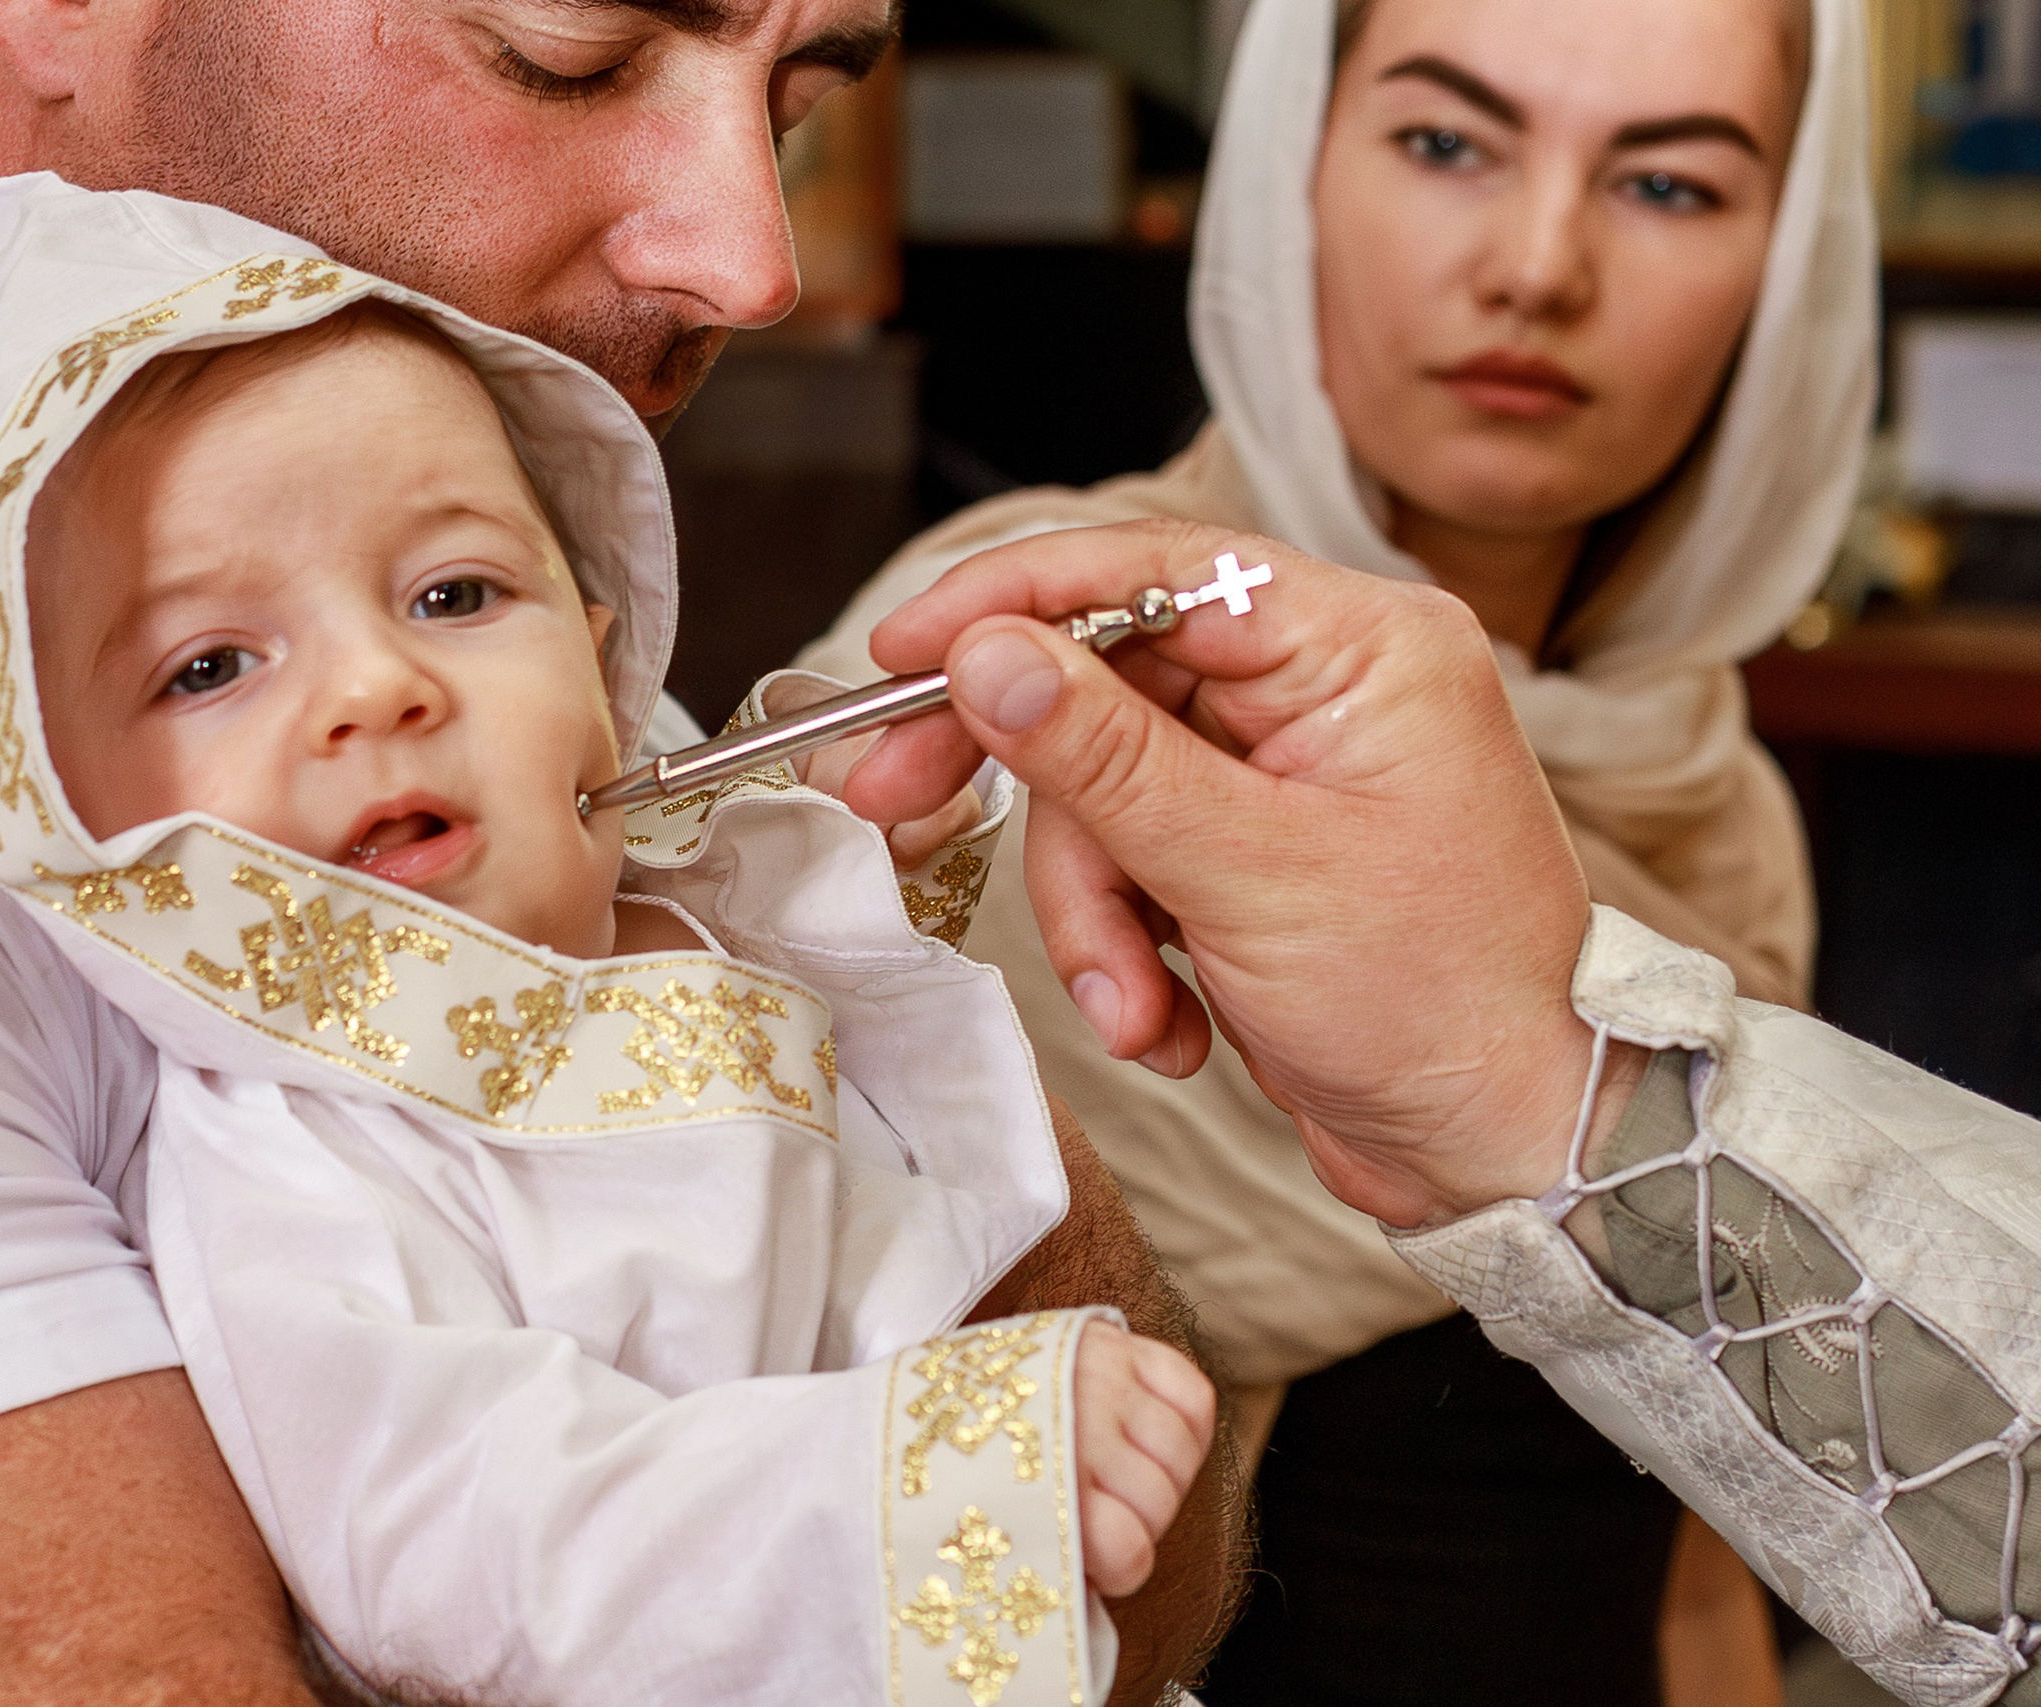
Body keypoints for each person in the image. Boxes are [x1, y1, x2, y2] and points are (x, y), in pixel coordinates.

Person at [0, 171, 1212, 1705]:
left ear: (603, 661)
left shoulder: (676, 911)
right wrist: (937, 1470)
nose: (375, 688)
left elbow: (841, 1091)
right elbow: (467, 1540)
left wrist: (854, 850)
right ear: (64, 809)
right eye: (210, 664)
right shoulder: (300, 1147)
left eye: (454, 591)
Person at [803, 0, 1870, 1695]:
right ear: (1291, 169)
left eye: (1666, 186)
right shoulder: (1014, 676)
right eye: (1445, 143)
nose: (1536, 266)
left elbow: (1687, 1543)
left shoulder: (1715, 798)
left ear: (1793, 267)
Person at [838, 519, 2041, 1707]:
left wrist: (1529, 1082)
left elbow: (1701, 1570)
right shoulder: (863, 808)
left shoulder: (1725, 797)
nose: (1528, 306)